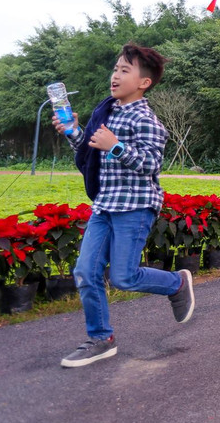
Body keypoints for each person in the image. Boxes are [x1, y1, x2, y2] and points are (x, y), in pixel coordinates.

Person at [54, 43, 194, 369]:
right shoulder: (108, 112)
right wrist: (74, 131)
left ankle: (177, 283)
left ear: (144, 82)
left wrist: (115, 146)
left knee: (124, 277)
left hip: (135, 206)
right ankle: (101, 338)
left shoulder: (145, 119)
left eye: (124, 70)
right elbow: (91, 153)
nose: (115, 75)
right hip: (105, 204)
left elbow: (150, 163)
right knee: (85, 272)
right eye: (115, 69)